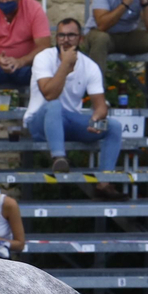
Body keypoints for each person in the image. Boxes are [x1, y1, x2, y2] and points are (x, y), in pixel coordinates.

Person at [26, 18, 123, 198]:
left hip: (69, 123)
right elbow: (49, 94)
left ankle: (104, 182)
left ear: (81, 39)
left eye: (71, 35)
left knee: (114, 126)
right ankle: (59, 158)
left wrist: (95, 119)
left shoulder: (89, 66)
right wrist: (65, 65)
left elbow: (101, 106)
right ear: (56, 38)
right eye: (61, 35)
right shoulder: (43, 58)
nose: (66, 39)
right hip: (40, 123)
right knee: (54, 105)